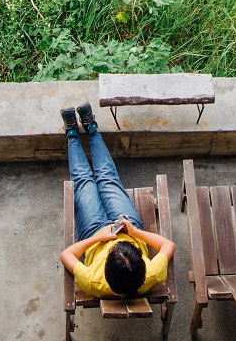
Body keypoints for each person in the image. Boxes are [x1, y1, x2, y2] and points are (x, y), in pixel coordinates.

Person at [57, 103, 174, 301]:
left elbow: (66, 255)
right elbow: (168, 245)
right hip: (128, 226)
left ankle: (72, 133)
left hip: (94, 232)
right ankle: (91, 128)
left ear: (106, 271)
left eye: (112, 251)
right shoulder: (151, 274)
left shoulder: (93, 281)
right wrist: (134, 233)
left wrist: (99, 238)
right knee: (108, 179)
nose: (115, 244)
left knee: (85, 183)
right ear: (142, 268)